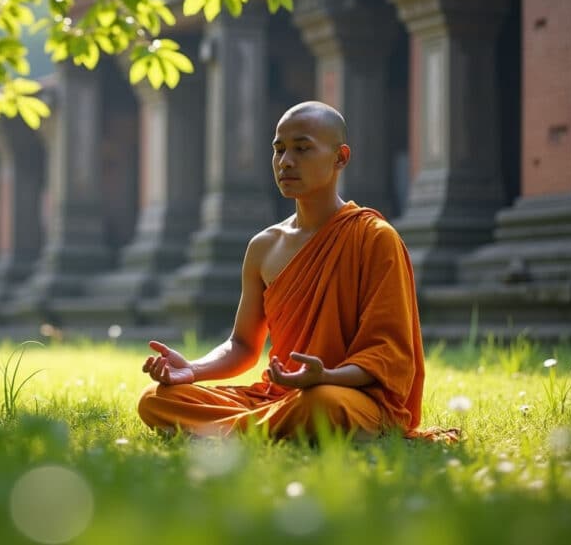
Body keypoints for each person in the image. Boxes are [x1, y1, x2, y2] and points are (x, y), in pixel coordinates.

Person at [138, 101, 447, 441]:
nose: (286, 162)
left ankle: (225, 433)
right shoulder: (264, 246)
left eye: (302, 149)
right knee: (156, 399)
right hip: (281, 397)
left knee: (321, 404)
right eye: (279, 150)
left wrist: (327, 375)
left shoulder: (375, 239)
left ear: (340, 158)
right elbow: (242, 345)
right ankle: (259, 430)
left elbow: (389, 356)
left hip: (349, 395)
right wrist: (192, 370)